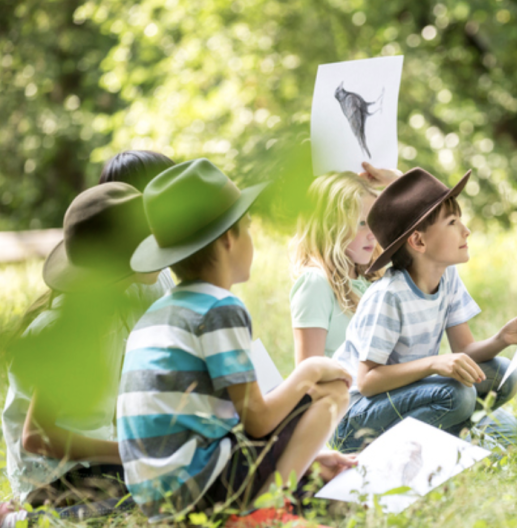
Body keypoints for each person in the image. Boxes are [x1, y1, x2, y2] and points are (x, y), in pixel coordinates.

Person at [117, 159, 354, 522]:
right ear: (230, 239)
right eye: (247, 228)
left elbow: (226, 420)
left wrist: (305, 452)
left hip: (157, 500)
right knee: (333, 387)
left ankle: (278, 491)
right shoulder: (219, 308)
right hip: (201, 487)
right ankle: (265, 510)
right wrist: (308, 371)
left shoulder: (156, 315)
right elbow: (257, 420)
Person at [0, 151, 177, 527]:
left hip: (102, 453)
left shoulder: (140, 289)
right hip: (54, 473)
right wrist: (129, 452)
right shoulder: (65, 327)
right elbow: (36, 437)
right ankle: (26, 520)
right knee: (158, 497)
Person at [331, 167, 517, 453]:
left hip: (408, 396)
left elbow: (466, 351)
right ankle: (413, 449)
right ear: (419, 241)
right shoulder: (388, 296)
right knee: (458, 396)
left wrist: (502, 339)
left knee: (504, 374)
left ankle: (453, 435)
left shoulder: (447, 278)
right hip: (355, 417)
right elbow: (367, 381)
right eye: (452, 222)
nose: (466, 230)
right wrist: (433, 363)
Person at [288, 165, 396, 362]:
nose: (373, 234)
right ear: (331, 227)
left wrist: (396, 181)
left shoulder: (371, 279)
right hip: (344, 392)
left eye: (375, 222)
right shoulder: (316, 283)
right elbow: (309, 373)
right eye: (362, 224)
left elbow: (428, 232)